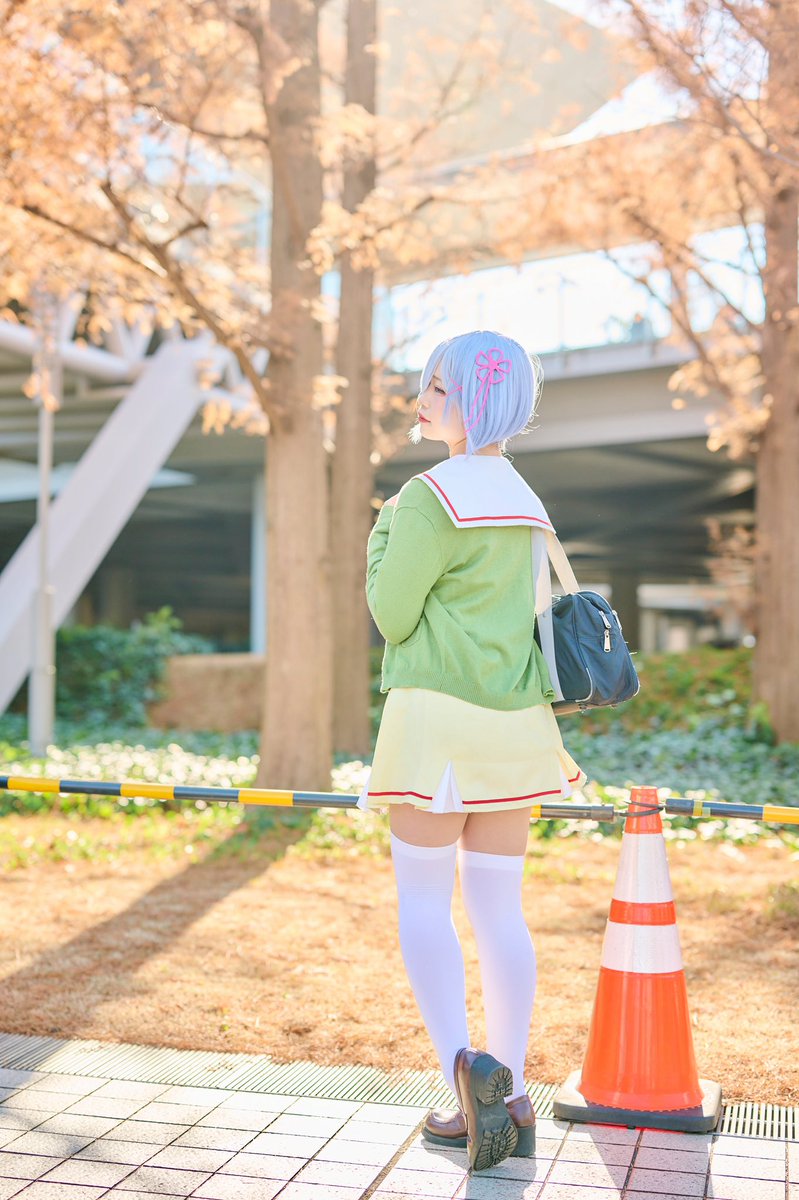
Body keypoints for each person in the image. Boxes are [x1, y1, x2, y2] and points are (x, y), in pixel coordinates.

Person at [359, 330, 588, 1172]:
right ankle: (512, 1088)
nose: (421, 400)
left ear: (475, 401)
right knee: (499, 910)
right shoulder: (525, 499)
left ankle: (464, 1089)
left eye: (438, 389)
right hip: (515, 730)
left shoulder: (424, 497)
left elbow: (392, 615)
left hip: (436, 728)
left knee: (424, 903)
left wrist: (381, 536)